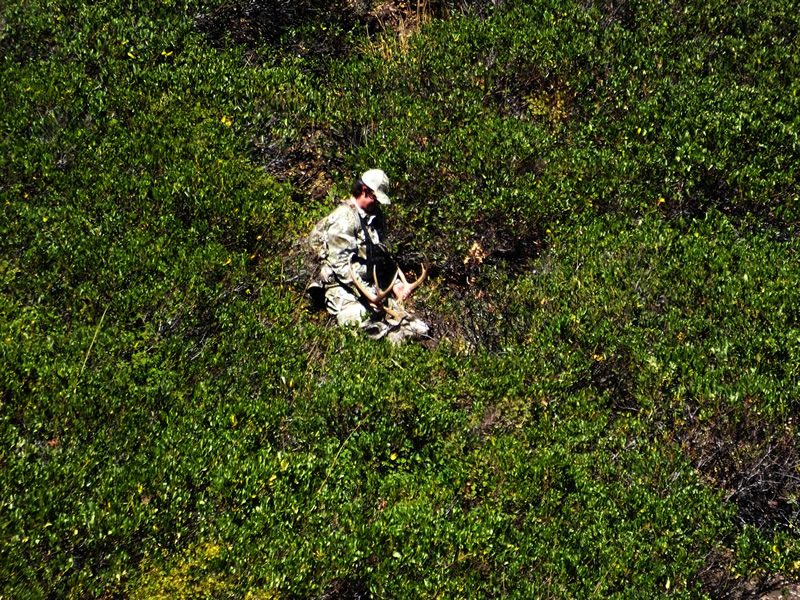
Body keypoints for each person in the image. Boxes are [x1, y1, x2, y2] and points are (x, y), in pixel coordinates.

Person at [314, 169, 429, 343]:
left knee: (419, 328)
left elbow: (383, 255)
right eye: (375, 198)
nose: (377, 203)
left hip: (375, 289)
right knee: (365, 326)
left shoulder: (376, 216)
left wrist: (396, 284)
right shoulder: (344, 219)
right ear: (364, 191)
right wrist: (368, 294)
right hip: (345, 291)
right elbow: (341, 266)